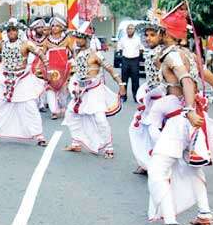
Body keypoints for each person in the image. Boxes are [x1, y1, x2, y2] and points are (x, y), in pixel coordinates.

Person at [144, 6, 213, 225]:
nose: (149, 36)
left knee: (157, 170)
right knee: (194, 169)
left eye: (154, 31)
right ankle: (204, 214)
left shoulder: (173, 56)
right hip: (193, 118)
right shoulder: (190, 55)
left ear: (165, 32)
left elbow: (186, 79)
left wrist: (187, 111)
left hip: (181, 119)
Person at [63, 21, 126, 159]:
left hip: (95, 91)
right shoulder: (77, 53)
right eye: (77, 37)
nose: (77, 40)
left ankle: (108, 147)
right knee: (71, 115)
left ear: (87, 39)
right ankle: (76, 142)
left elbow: (110, 69)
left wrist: (121, 85)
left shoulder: (96, 55)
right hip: (80, 91)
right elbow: (77, 72)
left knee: (100, 119)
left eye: (80, 38)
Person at [0, 18, 48, 146]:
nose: (11, 32)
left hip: (22, 79)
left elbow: (40, 54)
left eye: (13, 30)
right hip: (6, 79)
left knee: (29, 106)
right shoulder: (3, 44)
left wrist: (47, 68)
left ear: (18, 31)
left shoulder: (26, 44)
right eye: (9, 30)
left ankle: (39, 136)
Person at [129, 19, 166, 175]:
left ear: (161, 36)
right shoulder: (150, 51)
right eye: (146, 35)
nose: (148, 38)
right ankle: (146, 163)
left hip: (164, 99)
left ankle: (161, 165)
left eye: (152, 35)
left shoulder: (164, 53)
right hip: (150, 98)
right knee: (139, 130)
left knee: (155, 132)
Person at [43, 17, 74, 120]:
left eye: (57, 26)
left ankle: (63, 106)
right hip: (51, 69)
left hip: (64, 69)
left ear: (62, 28)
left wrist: (73, 66)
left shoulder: (67, 39)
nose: (54, 28)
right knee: (50, 89)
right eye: (52, 26)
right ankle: (54, 111)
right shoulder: (46, 41)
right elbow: (42, 55)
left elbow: (73, 53)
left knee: (63, 90)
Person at [117, 24, 143, 102]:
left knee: (135, 80)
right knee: (124, 80)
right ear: (126, 30)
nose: (130, 30)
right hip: (125, 60)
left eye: (132, 29)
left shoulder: (138, 39)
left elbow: (141, 49)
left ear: (134, 30)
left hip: (135, 61)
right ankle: (123, 96)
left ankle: (136, 97)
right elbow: (120, 49)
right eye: (128, 28)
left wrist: (137, 58)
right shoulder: (123, 39)